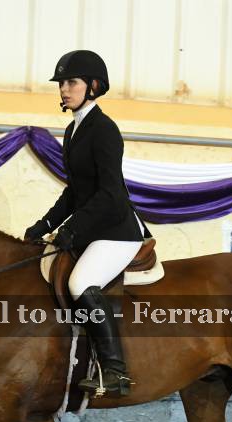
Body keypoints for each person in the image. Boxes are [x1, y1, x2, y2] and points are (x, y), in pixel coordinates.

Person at [23, 50, 150, 398]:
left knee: (81, 282)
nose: (64, 90)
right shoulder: (73, 130)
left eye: (71, 82)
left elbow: (110, 193)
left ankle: (115, 370)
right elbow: (75, 192)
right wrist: (43, 225)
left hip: (116, 230)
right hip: (94, 228)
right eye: (61, 84)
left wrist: (72, 229)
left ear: (93, 86)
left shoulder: (104, 130)